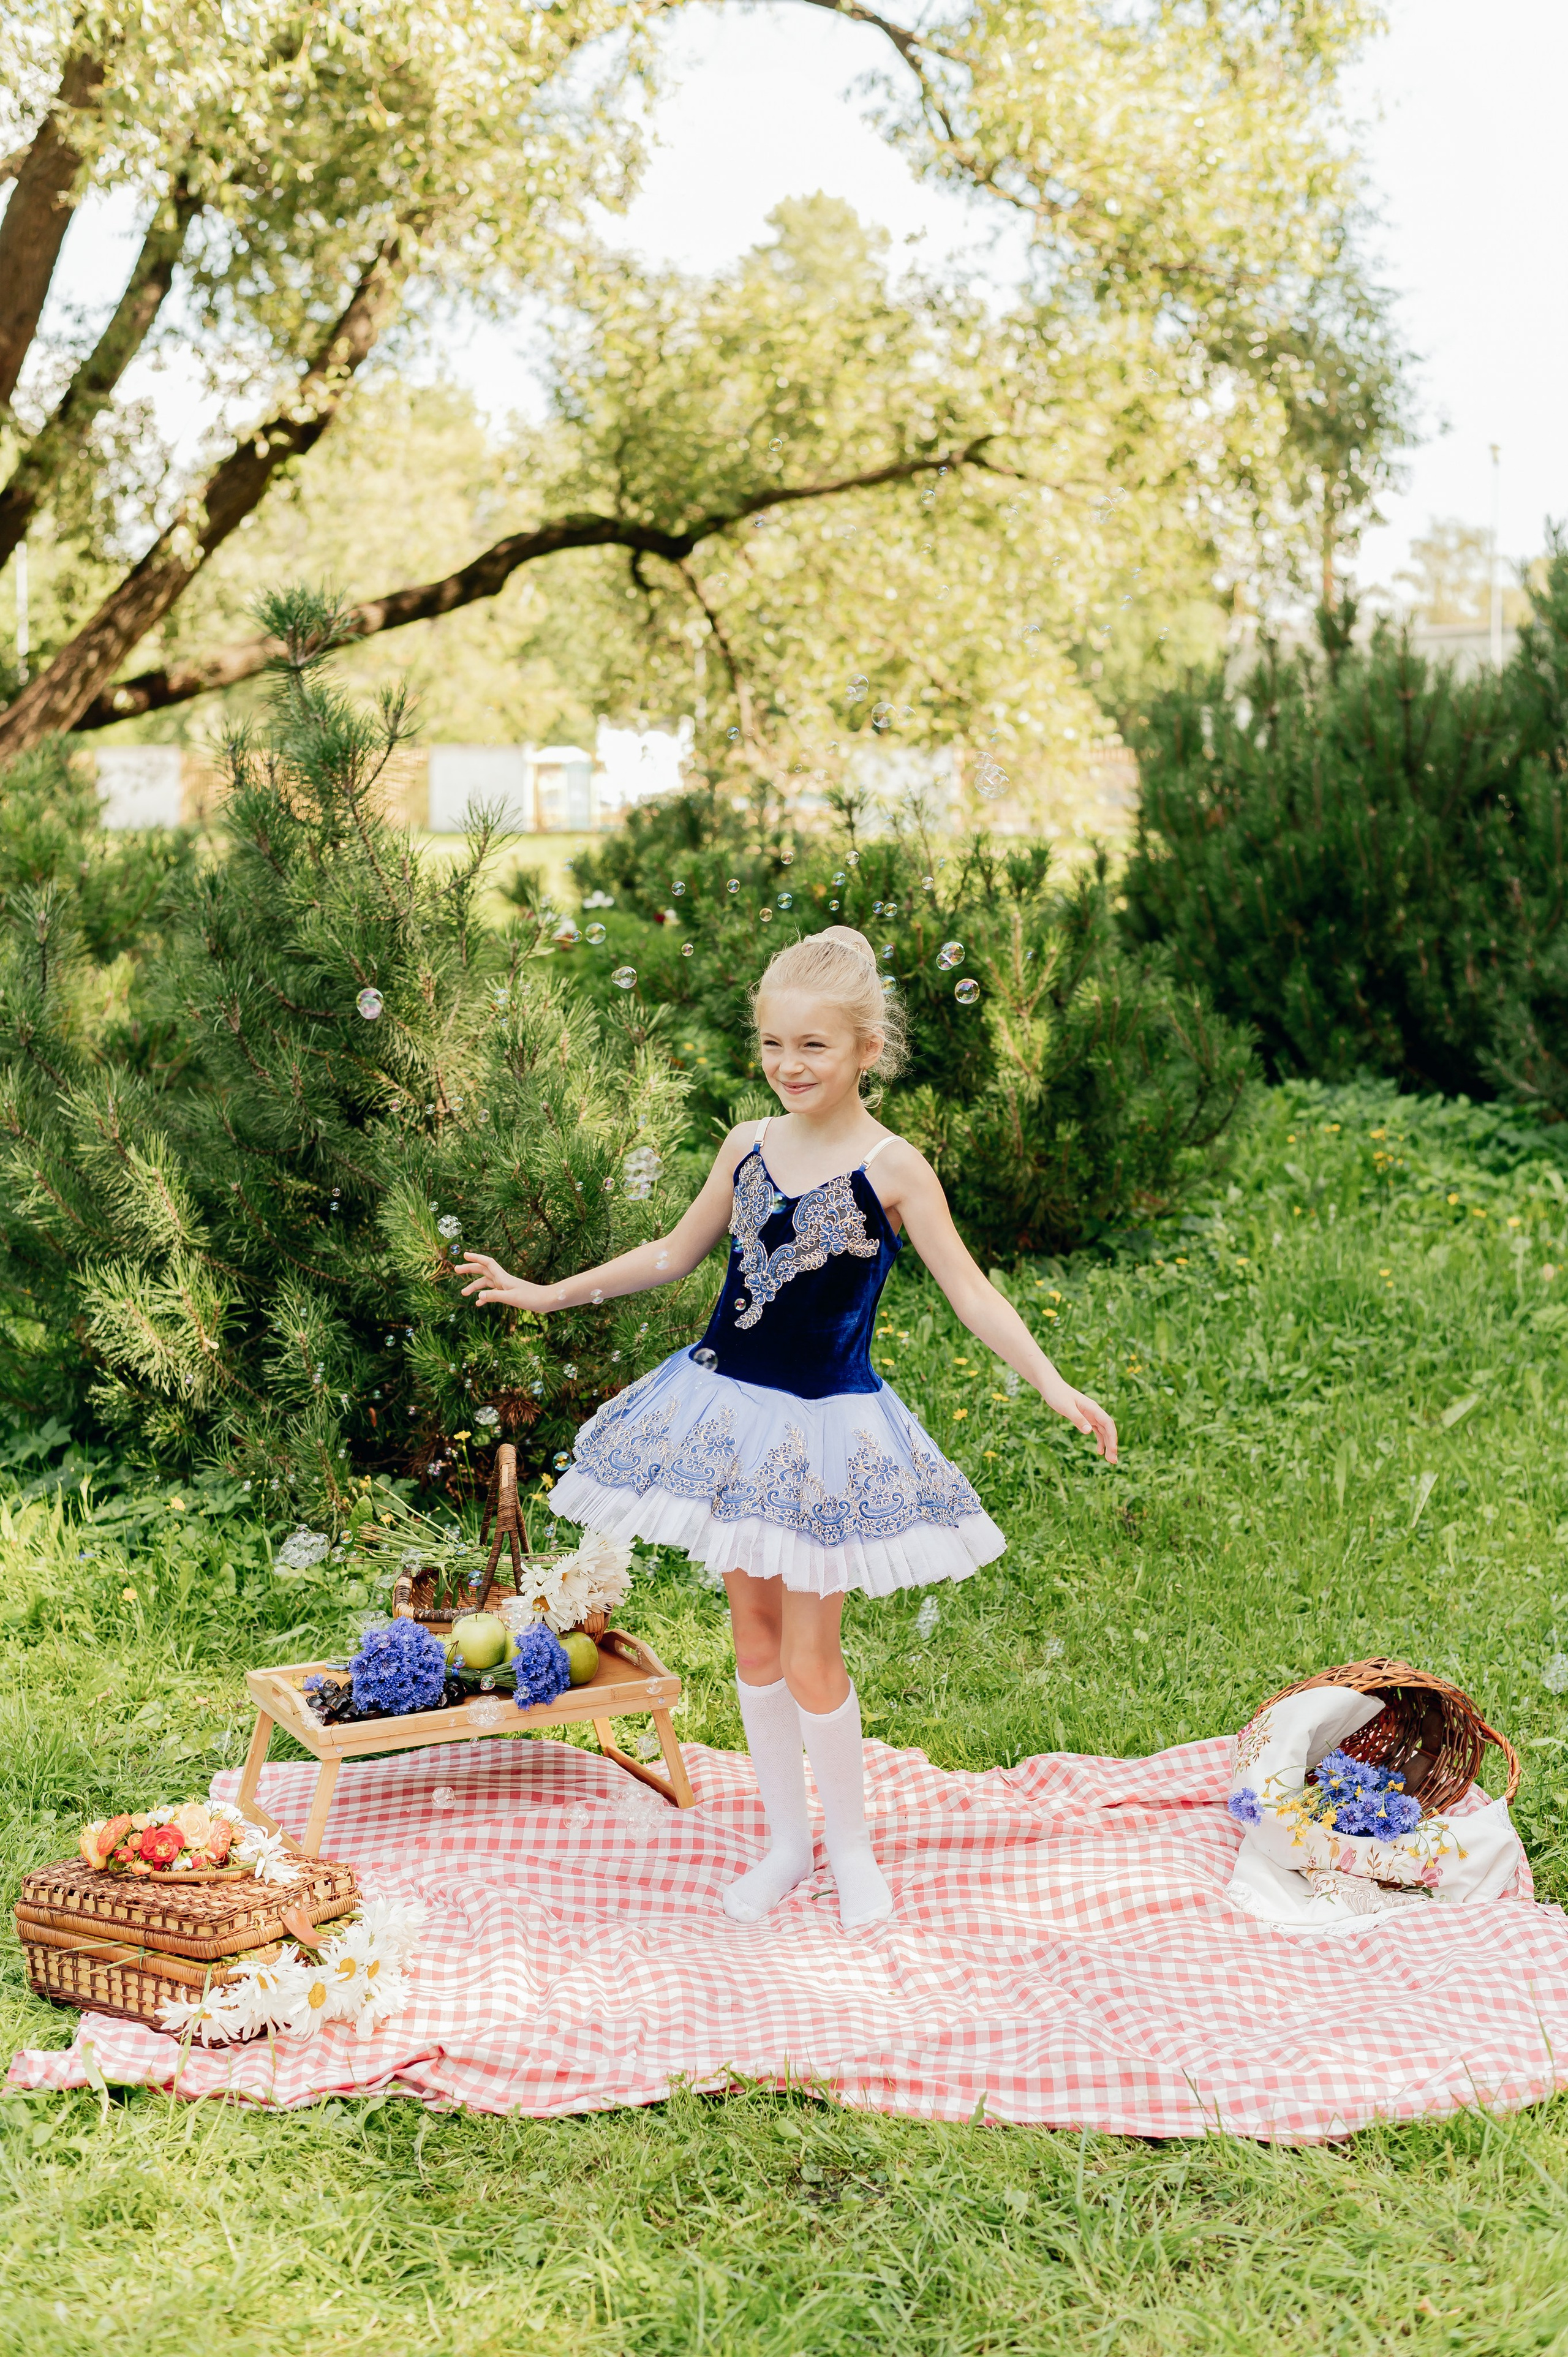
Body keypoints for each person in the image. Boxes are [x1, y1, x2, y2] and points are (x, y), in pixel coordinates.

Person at [457, 927, 1117, 1931]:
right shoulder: (748, 1146)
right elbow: (674, 1254)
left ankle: (851, 1851)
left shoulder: (894, 1169)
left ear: (866, 1051)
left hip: (826, 1436)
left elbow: (972, 1292)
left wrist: (1053, 1383)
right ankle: (785, 1842)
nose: (789, 1065)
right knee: (753, 1639)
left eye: (813, 1046)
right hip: (728, 1417)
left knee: (814, 1654)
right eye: (773, 1044)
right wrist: (548, 1294)